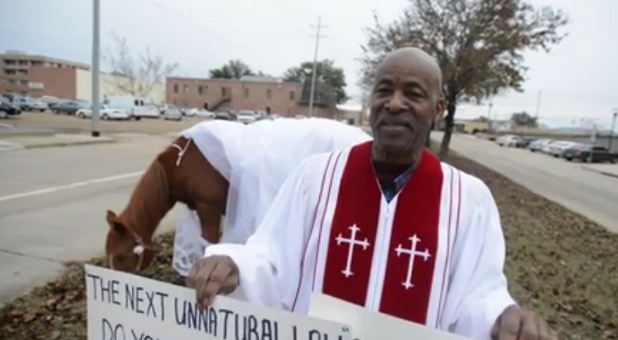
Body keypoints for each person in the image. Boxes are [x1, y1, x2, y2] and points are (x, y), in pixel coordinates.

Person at [187, 47, 556, 340]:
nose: (395, 103)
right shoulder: (316, 178)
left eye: (413, 93)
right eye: (384, 90)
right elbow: (270, 258)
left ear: (439, 110)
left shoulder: (467, 200)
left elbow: (477, 294)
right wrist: (234, 265)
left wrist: (505, 316)